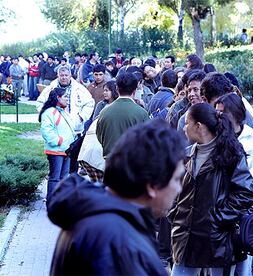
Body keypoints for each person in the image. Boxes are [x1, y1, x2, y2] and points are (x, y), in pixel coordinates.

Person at [48, 119, 187, 275]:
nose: (179, 188)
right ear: (152, 186)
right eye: (176, 179)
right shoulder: (119, 243)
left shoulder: (103, 217)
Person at [169, 103, 253, 275]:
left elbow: (246, 194)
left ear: (199, 126)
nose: (184, 128)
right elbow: (175, 188)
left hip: (217, 240)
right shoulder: (186, 154)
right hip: (186, 237)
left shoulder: (231, 155)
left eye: (187, 123)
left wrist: (217, 219)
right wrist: (174, 213)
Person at [215, 93, 253, 275]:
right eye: (217, 112)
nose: (219, 117)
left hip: (244, 211)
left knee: (243, 265)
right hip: (220, 212)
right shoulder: (214, 138)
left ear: (237, 115)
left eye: (223, 113)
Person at [96, 72, 149, 158]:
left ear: (116, 89)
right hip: (133, 163)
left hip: (111, 163)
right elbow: (147, 141)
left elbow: (100, 136)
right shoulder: (141, 113)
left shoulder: (104, 112)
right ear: (135, 90)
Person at [39, 87, 75, 201]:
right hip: (56, 150)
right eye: (65, 97)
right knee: (55, 178)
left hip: (66, 149)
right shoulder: (50, 112)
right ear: (58, 98)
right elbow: (46, 130)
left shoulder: (63, 112)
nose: (67, 100)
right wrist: (58, 141)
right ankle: (51, 201)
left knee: (64, 177)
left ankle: (60, 201)